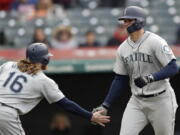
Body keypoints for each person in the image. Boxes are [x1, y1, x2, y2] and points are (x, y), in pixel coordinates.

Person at [93, 6, 179, 135]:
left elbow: (173, 67)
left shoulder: (156, 41)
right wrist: (106, 105)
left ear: (139, 21)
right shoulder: (122, 48)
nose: (125, 23)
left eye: (128, 20)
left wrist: (150, 78)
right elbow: (120, 78)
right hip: (137, 101)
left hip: (161, 99)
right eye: (124, 21)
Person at [0, 43, 110, 135]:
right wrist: (90, 116)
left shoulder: (8, 65)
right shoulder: (42, 80)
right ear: (45, 59)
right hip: (6, 113)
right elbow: (66, 104)